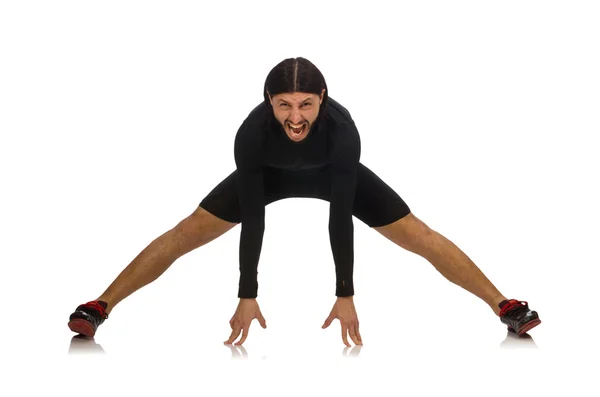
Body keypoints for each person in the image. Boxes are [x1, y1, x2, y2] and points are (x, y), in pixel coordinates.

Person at [68, 57, 541, 347]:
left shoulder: (343, 133)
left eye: (306, 105)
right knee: (184, 233)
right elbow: (254, 220)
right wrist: (247, 294)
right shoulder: (252, 136)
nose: (296, 117)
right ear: (269, 101)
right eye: (284, 105)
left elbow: (340, 218)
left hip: (336, 176)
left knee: (419, 235)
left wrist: (345, 293)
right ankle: (99, 306)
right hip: (268, 177)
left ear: (322, 98)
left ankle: (505, 306)